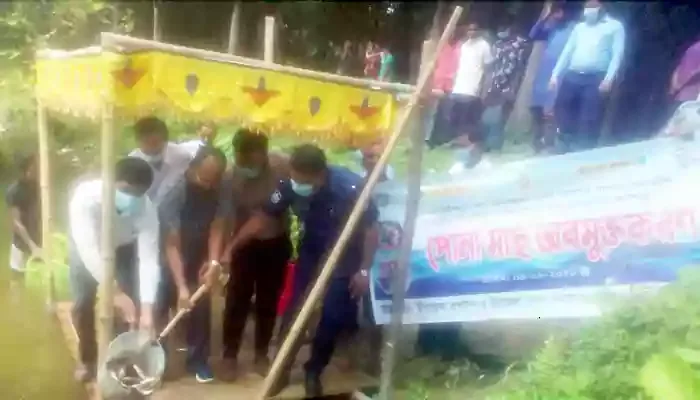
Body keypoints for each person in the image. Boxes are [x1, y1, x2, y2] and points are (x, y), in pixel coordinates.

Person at [226, 144, 379, 397]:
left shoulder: (350, 188)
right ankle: (282, 368)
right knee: (295, 311)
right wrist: (232, 248)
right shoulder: (290, 184)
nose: (295, 184)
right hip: (312, 251)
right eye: (293, 177)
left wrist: (363, 270)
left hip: (345, 257)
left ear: (318, 176)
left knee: (331, 316)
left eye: (301, 180)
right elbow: (263, 217)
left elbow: (371, 229)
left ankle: (314, 369)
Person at [68, 157, 160, 382]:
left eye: (139, 193)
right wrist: (114, 291)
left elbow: (149, 259)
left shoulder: (146, 209)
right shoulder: (85, 197)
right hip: (87, 249)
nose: (132, 198)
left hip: (122, 249)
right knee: (82, 304)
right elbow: (88, 248)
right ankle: (88, 359)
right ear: (111, 181)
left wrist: (147, 310)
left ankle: (119, 361)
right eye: (126, 190)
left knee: (130, 308)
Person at [210, 129, 292, 379]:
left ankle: (261, 353)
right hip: (243, 247)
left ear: (264, 153)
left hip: (275, 242)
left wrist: (229, 248)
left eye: (252, 159)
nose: (246, 165)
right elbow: (223, 217)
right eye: (241, 159)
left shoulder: (283, 168)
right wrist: (220, 254)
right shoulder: (230, 177)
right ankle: (229, 354)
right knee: (237, 298)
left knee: (269, 299)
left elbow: (264, 219)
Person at [155, 146, 228, 383]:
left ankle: (198, 358)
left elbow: (218, 225)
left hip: (200, 250)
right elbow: (171, 242)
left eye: (214, 180)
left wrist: (213, 261)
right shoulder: (173, 189)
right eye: (204, 179)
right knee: (161, 303)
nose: (209, 184)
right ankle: (158, 358)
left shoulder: (222, 186)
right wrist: (181, 286)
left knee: (201, 305)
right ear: (192, 168)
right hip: (168, 252)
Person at [549, 0, 625, 153]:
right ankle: (563, 143)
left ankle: (584, 148)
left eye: (592, 8)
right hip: (573, 75)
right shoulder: (580, 27)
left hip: (596, 78)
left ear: (601, 8)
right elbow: (567, 51)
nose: (588, 11)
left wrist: (609, 79)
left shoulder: (615, 27)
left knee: (590, 115)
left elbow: (617, 55)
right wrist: (555, 75)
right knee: (563, 108)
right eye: (586, 8)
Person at [429, 22, 493, 167]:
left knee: (469, 121)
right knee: (454, 120)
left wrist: (484, 90)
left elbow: (488, 70)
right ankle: (465, 146)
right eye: (469, 29)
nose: (471, 32)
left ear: (479, 31)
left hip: (473, 90)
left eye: (474, 29)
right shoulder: (463, 46)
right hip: (458, 88)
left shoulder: (484, 46)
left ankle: (475, 148)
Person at [529, 2, 576, 153]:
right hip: (543, 74)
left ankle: (550, 145)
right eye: (555, 12)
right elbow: (533, 34)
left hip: (560, 75)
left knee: (552, 111)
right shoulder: (551, 27)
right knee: (536, 109)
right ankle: (537, 143)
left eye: (559, 11)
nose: (557, 14)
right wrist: (545, 16)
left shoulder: (574, 28)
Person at [482, 23, 530, 152]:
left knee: (500, 117)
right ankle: (486, 143)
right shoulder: (497, 45)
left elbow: (518, 68)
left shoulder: (518, 45)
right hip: (494, 84)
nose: (501, 31)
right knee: (488, 116)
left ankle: (495, 144)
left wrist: (513, 87)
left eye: (504, 29)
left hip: (508, 85)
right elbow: (491, 65)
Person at [129, 116, 193, 202]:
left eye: (154, 142)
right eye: (145, 142)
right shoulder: (131, 163)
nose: (150, 147)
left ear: (165, 140)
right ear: (137, 141)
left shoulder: (182, 157)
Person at [4, 154, 42, 291]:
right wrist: (32, 246)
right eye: (34, 168)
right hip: (21, 244)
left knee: (37, 283)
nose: (37, 170)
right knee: (17, 282)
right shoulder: (13, 191)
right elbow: (16, 223)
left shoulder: (38, 187)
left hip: (37, 239)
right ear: (25, 170)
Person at [669, 37, 700, 115]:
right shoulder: (696, 50)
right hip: (689, 100)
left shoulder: (695, 49)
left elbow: (678, 73)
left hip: (682, 98)